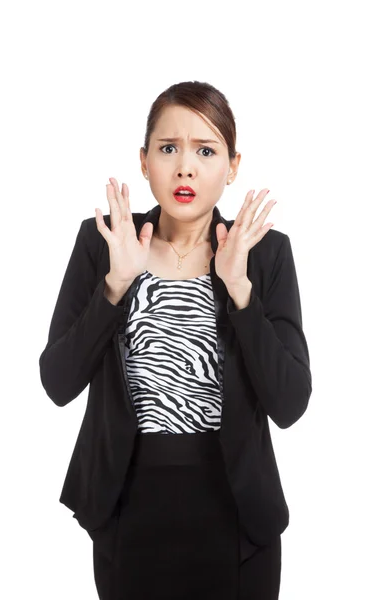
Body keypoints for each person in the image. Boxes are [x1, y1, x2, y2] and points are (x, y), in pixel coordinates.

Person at [39, 80, 312, 600]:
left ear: (233, 166)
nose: (185, 167)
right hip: (127, 506)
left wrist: (240, 291)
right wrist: (115, 286)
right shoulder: (104, 243)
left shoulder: (265, 253)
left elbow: (291, 403)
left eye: (206, 151)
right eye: (168, 149)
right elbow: (57, 382)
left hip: (237, 517)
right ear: (144, 162)